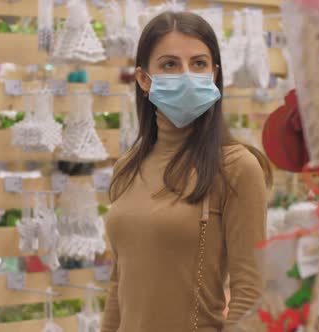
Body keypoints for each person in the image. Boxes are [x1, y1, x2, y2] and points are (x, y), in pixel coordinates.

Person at [101, 11, 273, 332]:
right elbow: (118, 286)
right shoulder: (128, 166)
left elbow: (249, 292)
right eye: (169, 64)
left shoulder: (235, 167)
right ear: (142, 78)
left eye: (198, 64)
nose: (186, 75)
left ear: (214, 74)